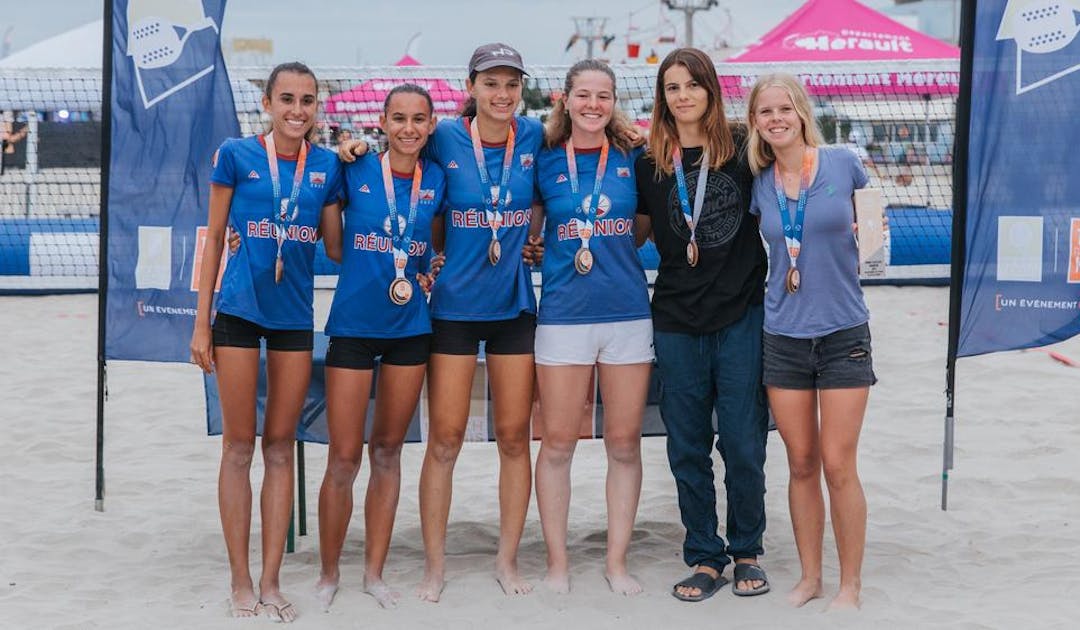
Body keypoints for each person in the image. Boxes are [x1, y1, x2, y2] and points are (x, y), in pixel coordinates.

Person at [189, 62, 344, 623]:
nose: (297, 110)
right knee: (238, 446)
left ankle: (273, 580)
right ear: (269, 104)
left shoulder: (326, 165)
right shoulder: (236, 155)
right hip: (236, 314)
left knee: (281, 447)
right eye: (287, 99)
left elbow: (335, 248)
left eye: (307, 100)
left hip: (293, 320)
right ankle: (239, 580)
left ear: (316, 107)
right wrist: (200, 323)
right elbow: (211, 245)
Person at [634, 47, 770, 602]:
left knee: (742, 441)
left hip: (739, 314)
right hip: (674, 318)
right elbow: (634, 231)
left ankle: (747, 551)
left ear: (711, 90)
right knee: (687, 445)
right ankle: (704, 556)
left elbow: (799, 161)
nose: (683, 95)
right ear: (662, 98)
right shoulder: (649, 161)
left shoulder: (743, 150)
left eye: (692, 85)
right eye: (672, 87)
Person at [746, 73, 876, 610]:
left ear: (801, 112)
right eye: (764, 112)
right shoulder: (759, 180)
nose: (776, 119)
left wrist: (867, 243)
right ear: (754, 122)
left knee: (837, 461)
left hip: (844, 331)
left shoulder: (843, 163)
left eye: (784, 109)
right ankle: (810, 577)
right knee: (800, 462)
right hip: (784, 335)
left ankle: (850, 584)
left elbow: (874, 232)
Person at [314, 84, 445, 611]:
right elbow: (334, 246)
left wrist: (428, 267)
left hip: (410, 330)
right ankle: (328, 574)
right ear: (383, 123)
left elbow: (434, 245)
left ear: (431, 125)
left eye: (418, 119)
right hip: (353, 326)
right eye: (398, 119)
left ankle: (374, 572)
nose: (409, 128)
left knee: (387, 452)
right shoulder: (354, 167)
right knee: (343, 457)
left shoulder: (436, 178)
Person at [530, 59, 652, 596]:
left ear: (613, 102)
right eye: (584, 95)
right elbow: (529, 233)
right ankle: (558, 563)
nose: (593, 105)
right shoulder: (543, 160)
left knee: (624, 444)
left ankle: (616, 562)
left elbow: (642, 232)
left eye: (603, 96)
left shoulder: (635, 158)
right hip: (562, 317)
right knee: (558, 443)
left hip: (627, 314)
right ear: (566, 99)